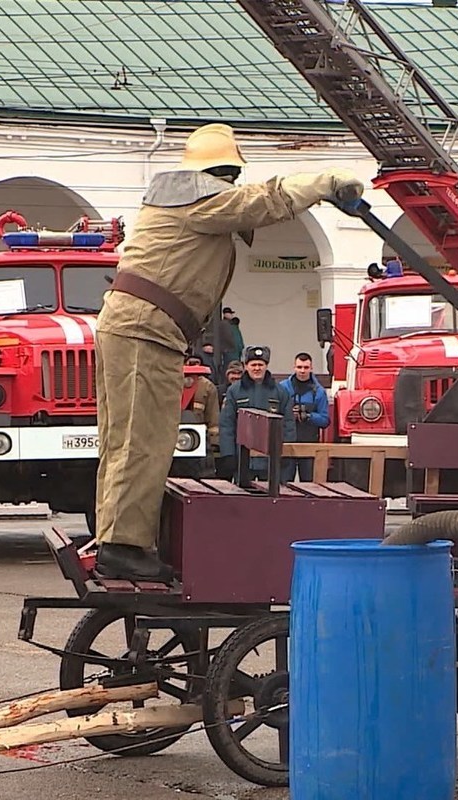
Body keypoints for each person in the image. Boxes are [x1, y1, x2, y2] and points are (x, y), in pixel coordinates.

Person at [92, 122, 363, 581]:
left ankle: (118, 537)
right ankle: (122, 544)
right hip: (145, 329)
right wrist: (326, 182)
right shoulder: (202, 200)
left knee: (126, 437)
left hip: (138, 327)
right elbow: (262, 200)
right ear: (221, 173)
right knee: (144, 438)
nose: (233, 184)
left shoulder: (181, 200)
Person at [219, 346, 296, 485]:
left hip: (270, 461)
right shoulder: (234, 391)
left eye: (260, 364)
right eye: (253, 364)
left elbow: (288, 425)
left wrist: (285, 452)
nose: (257, 368)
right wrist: (228, 454)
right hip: (242, 459)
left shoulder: (280, 392)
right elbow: (227, 425)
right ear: (246, 366)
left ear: (266, 366)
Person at [279, 352, 331, 482]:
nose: (302, 371)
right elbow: (274, 412)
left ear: (311, 368)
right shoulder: (283, 388)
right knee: (284, 483)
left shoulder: (319, 392)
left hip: (309, 444)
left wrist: (308, 416)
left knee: (309, 484)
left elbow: (325, 420)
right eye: (299, 367)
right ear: (294, 367)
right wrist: (289, 414)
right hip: (286, 443)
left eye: (306, 367)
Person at [183, 356, 221, 478]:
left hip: (200, 444)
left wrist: (214, 443)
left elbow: (213, 416)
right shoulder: (167, 381)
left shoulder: (207, 387)